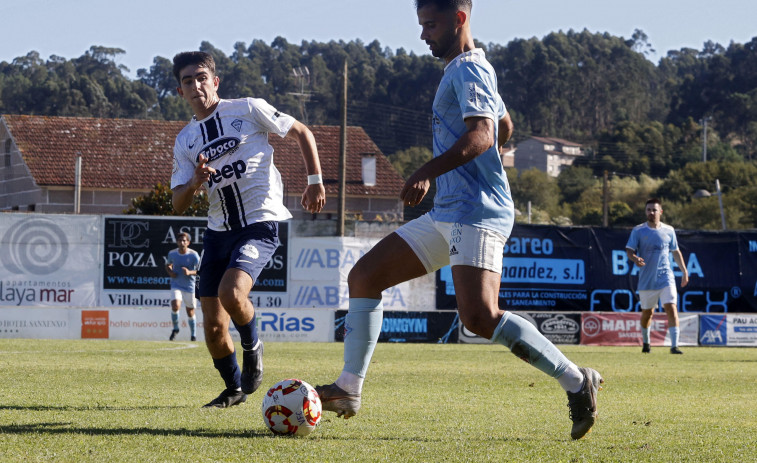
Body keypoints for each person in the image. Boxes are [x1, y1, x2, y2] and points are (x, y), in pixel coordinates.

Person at [316, 0, 603, 440]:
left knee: (479, 316)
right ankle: (349, 389)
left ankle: (577, 381)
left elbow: (484, 132)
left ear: (460, 19)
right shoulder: (466, 70)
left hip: (476, 212)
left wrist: (427, 171)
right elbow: (503, 124)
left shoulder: (470, 69)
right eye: (422, 24)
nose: (423, 34)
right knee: (366, 276)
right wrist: (484, 160)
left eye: (430, 24)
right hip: (448, 211)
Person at [170, 51, 326, 408]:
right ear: (180, 92)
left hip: (258, 222)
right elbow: (178, 202)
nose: (196, 86)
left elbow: (300, 131)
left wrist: (315, 181)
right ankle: (234, 389)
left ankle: (253, 345)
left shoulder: (247, 109)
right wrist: (195, 180)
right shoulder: (185, 141)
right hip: (217, 231)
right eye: (187, 81)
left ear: (215, 81)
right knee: (212, 329)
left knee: (232, 292)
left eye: (201, 77)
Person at [626, 198, 689, 354]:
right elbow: (629, 251)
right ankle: (646, 344)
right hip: (647, 280)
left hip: (666, 277)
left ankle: (674, 346)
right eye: (648, 210)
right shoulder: (638, 230)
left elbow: (675, 251)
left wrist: (684, 271)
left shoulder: (669, 230)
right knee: (648, 313)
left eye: (654, 210)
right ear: (645, 212)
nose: (651, 212)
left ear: (660, 212)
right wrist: (635, 258)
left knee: (671, 308)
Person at [165, 232, 201, 342]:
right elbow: (168, 265)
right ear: (177, 242)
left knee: (190, 311)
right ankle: (175, 329)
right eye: (180, 240)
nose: (182, 242)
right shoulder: (172, 254)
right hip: (176, 285)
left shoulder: (193, 255)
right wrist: (170, 272)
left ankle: (193, 335)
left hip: (190, 287)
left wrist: (190, 272)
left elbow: (200, 270)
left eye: (184, 240)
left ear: (188, 242)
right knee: (175, 305)